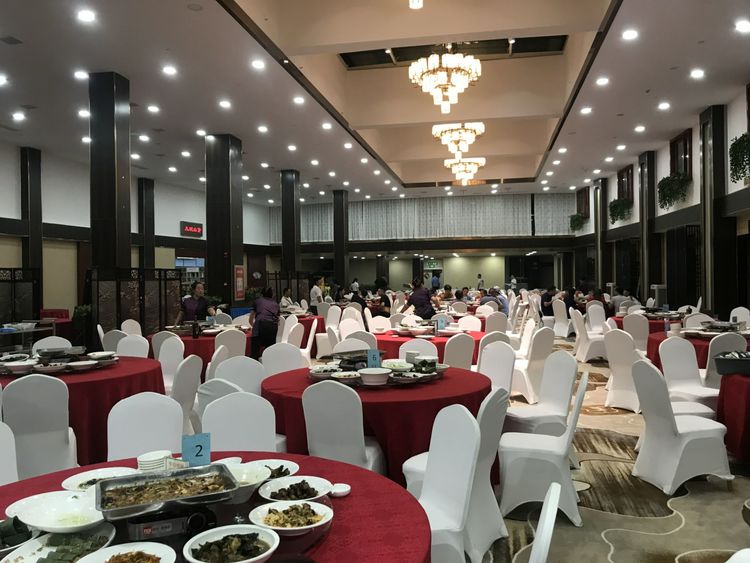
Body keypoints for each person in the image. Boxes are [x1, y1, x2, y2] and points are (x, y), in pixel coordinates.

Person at [249, 287, 279, 359]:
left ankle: (255, 364)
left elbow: (251, 318)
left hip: (260, 324)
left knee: (255, 353)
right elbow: (278, 320)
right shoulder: (275, 304)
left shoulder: (257, 301)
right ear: (272, 294)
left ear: (262, 294)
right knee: (270, 352)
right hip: (273, 326)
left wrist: (253, 326)